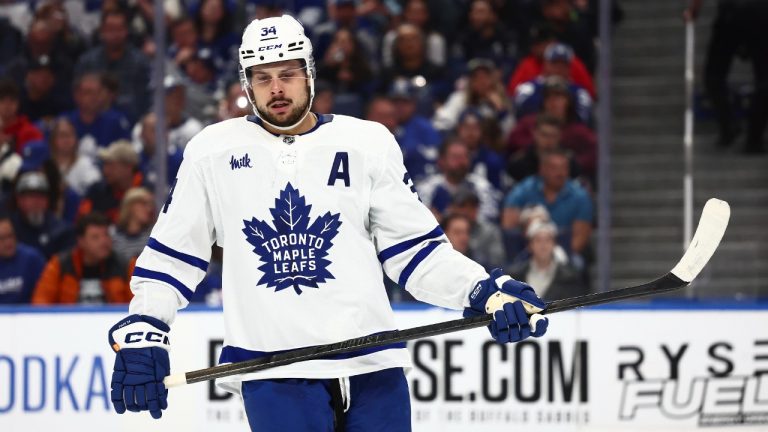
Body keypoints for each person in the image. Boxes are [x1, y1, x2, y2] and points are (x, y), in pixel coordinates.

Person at [106, 14, 549, 431]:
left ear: (310, 74)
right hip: (274, 371)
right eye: (262, 78)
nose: (276, 88)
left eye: (287, 74)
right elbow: (171, 258)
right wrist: (146, 326)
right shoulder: (212, 152)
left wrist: (483, 290)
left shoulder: (367, 142)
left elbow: (417, 253)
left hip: (373, 367)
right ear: (247, 83)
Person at [685, 0, 768, 152]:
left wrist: (694, 9)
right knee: (763, 79)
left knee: (714, 76)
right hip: (757, 13)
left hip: (734, 13)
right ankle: (753, 137)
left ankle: (730, 126)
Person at [32, 212, 133, 304]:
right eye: (95, 237)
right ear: (81, 241)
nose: (104, 241)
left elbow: (139, 305)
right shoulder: (59, 265)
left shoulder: (126, 265)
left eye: (106, 235)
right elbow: (41, 303)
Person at [0, 211, 46, 303]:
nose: (8, 242)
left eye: (10, 236)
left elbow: (43, 296)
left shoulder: (32, 259)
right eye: (2, 238)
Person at [111, 187, 155, 263]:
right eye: (144, 204)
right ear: (130, 205)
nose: (149, 209)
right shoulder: (112, 235)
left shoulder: (154, 236)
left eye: (150, 204)